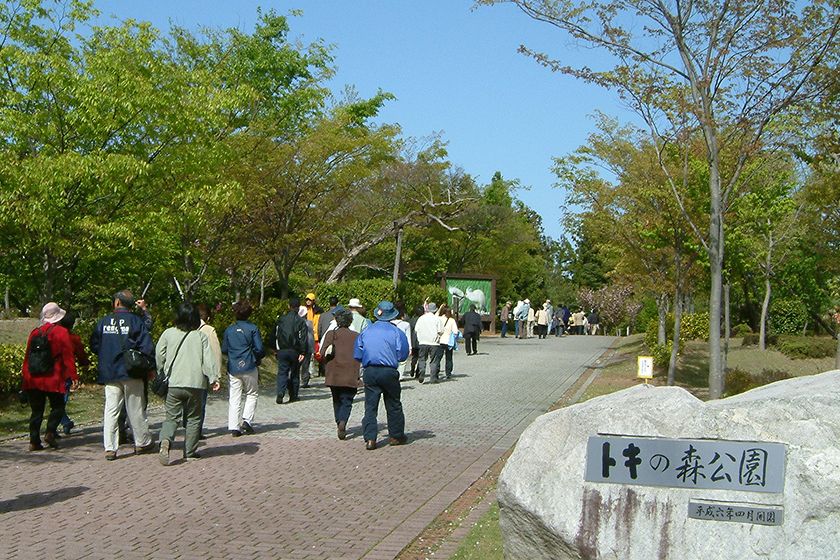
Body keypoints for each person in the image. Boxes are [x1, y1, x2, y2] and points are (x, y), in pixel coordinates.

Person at [91, 290, 155, 460]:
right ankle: (141, 442)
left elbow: (94, 344)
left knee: (111, 410)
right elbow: (146, 346)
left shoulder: (103, 322)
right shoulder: (136, 321)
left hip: (110, 371)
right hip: (132, 371)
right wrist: (150, 367)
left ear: (117, 302)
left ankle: (110, 448)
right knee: (135, 408)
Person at [156, 302, 220, 465]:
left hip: (174, 383)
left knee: (171, 418)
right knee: (193, 418)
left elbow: (159, 354)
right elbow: (208, 360)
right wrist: (214, 378)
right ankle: (190, 452)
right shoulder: (200, 336)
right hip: (196, 384)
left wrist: (161, 370)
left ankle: (165, 441)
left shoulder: (168, 333)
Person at [21, 303, 78, 451]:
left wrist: (25, 378)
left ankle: (34, 441)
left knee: (36, 411)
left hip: (33, 378)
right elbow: (68, 356)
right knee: (58, 407)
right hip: (54, 377)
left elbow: (28, 356)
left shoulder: (35, 332)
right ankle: (50, 432)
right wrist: (73, 376)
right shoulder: (61, 332)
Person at [353, 301, 409, 450]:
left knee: (370, 406)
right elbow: (403, 354)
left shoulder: (366, 331)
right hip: (389, 371)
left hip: (370, 370)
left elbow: (358, 353)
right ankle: (395, 436)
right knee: (393, 404)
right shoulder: (397, 332)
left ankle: (370, 438)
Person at [222, 300, 265, 437]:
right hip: (249, 365)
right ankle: (247, 420)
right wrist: (256, 357)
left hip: (233, 367)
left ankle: (234, 426)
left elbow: (224, 349)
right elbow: (259, 348)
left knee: (234, 397)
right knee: (251, 393)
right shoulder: (252, 328)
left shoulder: (229, 330)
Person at [321, 309, 360, 440]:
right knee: (347, 400)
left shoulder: (331, 334)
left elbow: (322, 353)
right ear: (350, 321)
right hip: (350, 373)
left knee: (336, 399)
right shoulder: (356, 336)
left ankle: (339, 421)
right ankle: (343, 421)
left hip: (334, 373)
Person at [189, 304, 221, 440]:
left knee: (188, 403)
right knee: (200, 403)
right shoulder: (209, 330)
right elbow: (216, 353)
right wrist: (216, 375)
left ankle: (188, 428)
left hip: (186, 371)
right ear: (207, 316)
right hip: (201, 373)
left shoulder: (187, 328)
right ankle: (196, 430)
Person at [267, 297, 307, 404]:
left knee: (282, 372)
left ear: (289, 306)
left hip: (282, 350)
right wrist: (303, 352)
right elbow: (303, 338)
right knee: (294, 372)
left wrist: (274, 349)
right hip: (295, 350)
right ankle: (293, 395)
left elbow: (273, 335)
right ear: (298, 308)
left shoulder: (281, 319)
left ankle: (280, 392)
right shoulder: (301, 321)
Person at [57, 310, 90, 436]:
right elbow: (80, 354)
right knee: (61, 402)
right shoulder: (73, 338)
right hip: (65, 374)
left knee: (56, 402)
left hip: (50, 374)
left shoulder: (53, 336)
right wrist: (84, 364)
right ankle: (64, 422)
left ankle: (60, 424)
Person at [414, 303, 442, 384]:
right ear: (435, 310)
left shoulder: (421, 318)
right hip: (434, 343)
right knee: (434, 361)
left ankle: (421, 372)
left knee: (422, 359)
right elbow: (440, 331)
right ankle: (433, 378)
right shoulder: (437, 319)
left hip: (423, 342)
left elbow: (416, 330)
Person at [431, 308, 458, 380]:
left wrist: (440, 308)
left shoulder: (439, 318)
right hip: (449, 342)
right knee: (449, 358)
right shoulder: (452, 320)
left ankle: (436, 373)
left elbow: (435, 316)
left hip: (440, 341)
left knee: (438, 358)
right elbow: (455, 331)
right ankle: (448, 373)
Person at [298, 305, 315, 388]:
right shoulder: (309, 323)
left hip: (298, 346)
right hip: (307, 345)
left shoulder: (296, 322)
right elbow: (311, 336)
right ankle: (304, 381)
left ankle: (294, 380)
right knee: (305, 364)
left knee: (297, 364)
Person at [408, 304, 423, 377]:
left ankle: (412, 368)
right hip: (421, 340)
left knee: (414, 357)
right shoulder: (423, 320)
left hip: (413, 341)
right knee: (421, 357)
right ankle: (417, 372)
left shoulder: (412, 320)